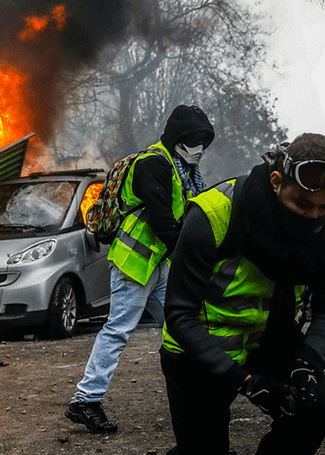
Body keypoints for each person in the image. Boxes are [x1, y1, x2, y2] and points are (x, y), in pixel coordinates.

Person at [150, 134, 325, 455]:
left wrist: (306, 362)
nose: (314, 217)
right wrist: (243, 380)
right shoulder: (214, 214)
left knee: (314, 408)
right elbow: (180, 314)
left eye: (324, 207)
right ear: (277, 181)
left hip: (270, 340)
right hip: (198, 352)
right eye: (302, 205)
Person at [66, 105, 215, 433]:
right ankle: (86, 400)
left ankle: (200, 392)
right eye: (194, 140)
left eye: (205, 141)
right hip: (136, 263)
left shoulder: (175, 167)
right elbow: (164, 220)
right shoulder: (154, 163)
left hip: (156, 264)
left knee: (180, 326)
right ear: (177, 139)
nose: (200, 148)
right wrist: (191, 258)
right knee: (118, 329)